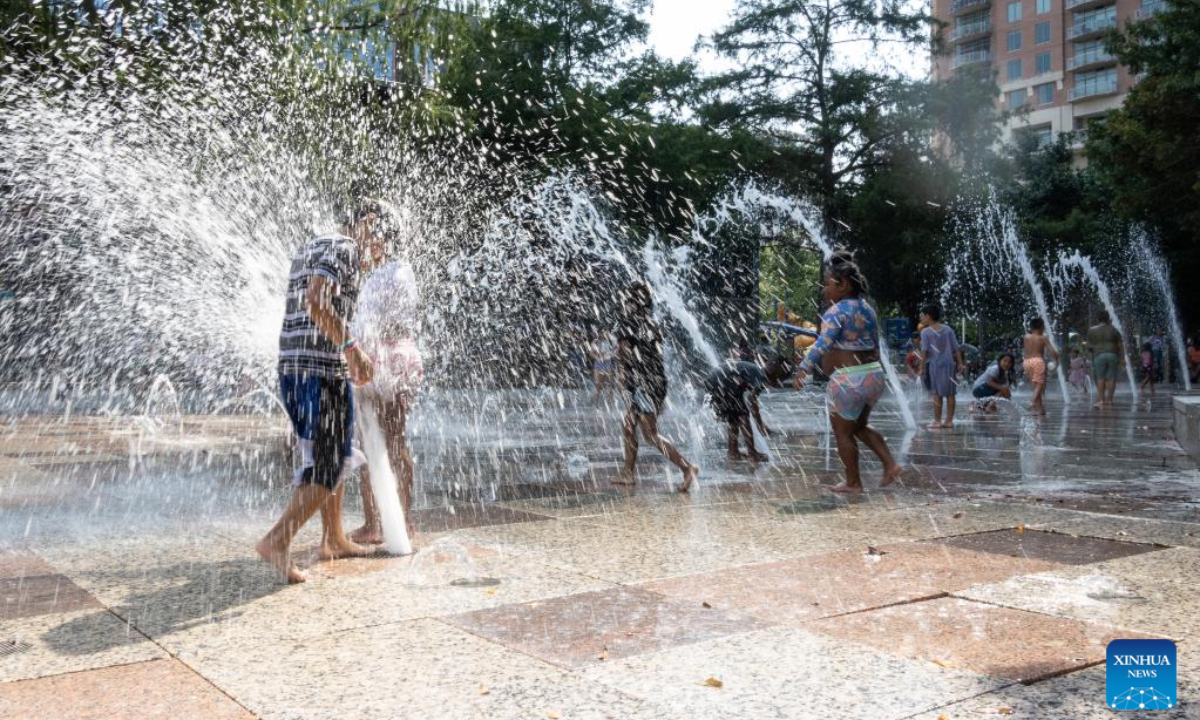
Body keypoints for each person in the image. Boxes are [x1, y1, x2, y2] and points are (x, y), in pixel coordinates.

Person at [256, 197, 388, 584]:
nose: (382, 250)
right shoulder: (345, 248)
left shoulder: (315, 244)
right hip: (320, 370)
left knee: (330, 453)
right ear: (366, 223)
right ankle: (277, 540)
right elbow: (317, 301)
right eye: (383, 237)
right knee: (330, 463)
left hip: (295, 367)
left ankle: (333, 538)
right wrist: (352, 350)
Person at [793, 251, 902, 494]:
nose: (824, 290)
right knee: (859, 426)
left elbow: (823, 343)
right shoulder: (868, 309)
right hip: (873, 375)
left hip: (848, 380)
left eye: (827, 285)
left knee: (843, 433)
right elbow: (875, 345)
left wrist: (803, 368)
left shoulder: (836, 311)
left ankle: (853, 482)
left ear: (843, 285)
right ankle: (890, 463)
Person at [348, 257, 423, 547]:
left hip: (388, 357)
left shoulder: (395, 270)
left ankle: (384, 523)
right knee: (384, 441)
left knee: (385, 441)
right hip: (391, 354)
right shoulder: (393, 269)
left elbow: (384, 320)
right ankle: (394, 521)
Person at [614, 282, 699, 492]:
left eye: (627, 299)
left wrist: (622, 380)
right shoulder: (652, 323)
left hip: (643, 384)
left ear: (632, 301)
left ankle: (687, 467)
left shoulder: (628, 323)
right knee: (628, 425)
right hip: (655, 382)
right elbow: (656, 356)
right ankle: (627, 473)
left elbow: (623, 355)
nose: (624, 303)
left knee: (650, 434)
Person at [705, 358, 770, 462]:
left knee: (733, 416)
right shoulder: (761, 377)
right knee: (743, 414)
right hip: (723, 380)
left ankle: (733, 452)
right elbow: (752, 400)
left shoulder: (754, 371)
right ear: (776, 376)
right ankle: (752, 454)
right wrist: (760, 424)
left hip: (714, 379)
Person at [918, 304, 964, 431]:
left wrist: (921, 368)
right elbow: (956, 348)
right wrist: (960, 363)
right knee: (950, 392)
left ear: (928, 316)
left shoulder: (925, 332)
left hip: (936, 365)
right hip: (949, 364)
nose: (921, 318)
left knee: (937, 393)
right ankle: (949, 420)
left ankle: (937, 421)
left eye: (922, 316)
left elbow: (924, 351)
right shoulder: (948, 329)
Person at [1022, 317, 1059, 416]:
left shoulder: (1026, 337)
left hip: (1026, 362)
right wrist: (1057, 359)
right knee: (1040, 385)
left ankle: (1040, 410)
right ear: (1041, 327)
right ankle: (1033, 403)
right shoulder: (1043, 338)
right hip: (1038, 361)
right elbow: (1053, 352)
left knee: (1035, 387)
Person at [1087, 311, 1123, 409]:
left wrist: (1092, 350)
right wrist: (1123, 358)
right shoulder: (1114, 330)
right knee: (1111, 378)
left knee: (1100, 378)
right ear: (1108, 319)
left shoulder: (1092, 330)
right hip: (1113, 354)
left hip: (1099, 355)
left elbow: (1089, 346)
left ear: (1098, 319)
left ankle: (1102, 400)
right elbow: (1120, 345)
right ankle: (1110, 400)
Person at [590, 331, 617, 403]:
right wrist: (598, 356)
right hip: (598, 363)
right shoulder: (595, 342)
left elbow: (615, 351)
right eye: (602, 332)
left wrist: (609, 354)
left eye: (606, 332)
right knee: (598, 383)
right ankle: (596, 400)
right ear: (599, 333)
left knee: (608, 383)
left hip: (608, 363)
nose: (604, 334)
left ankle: (609, 399)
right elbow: (591, 354)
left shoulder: (611, 341)